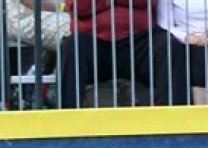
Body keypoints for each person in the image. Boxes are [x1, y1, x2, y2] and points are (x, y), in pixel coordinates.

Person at [59, 0, 189, 108]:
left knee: (168, 46)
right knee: (71, 48)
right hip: (93, 42)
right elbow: (79, 6)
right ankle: (67, 120)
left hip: (139, 41)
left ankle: (175, 119)